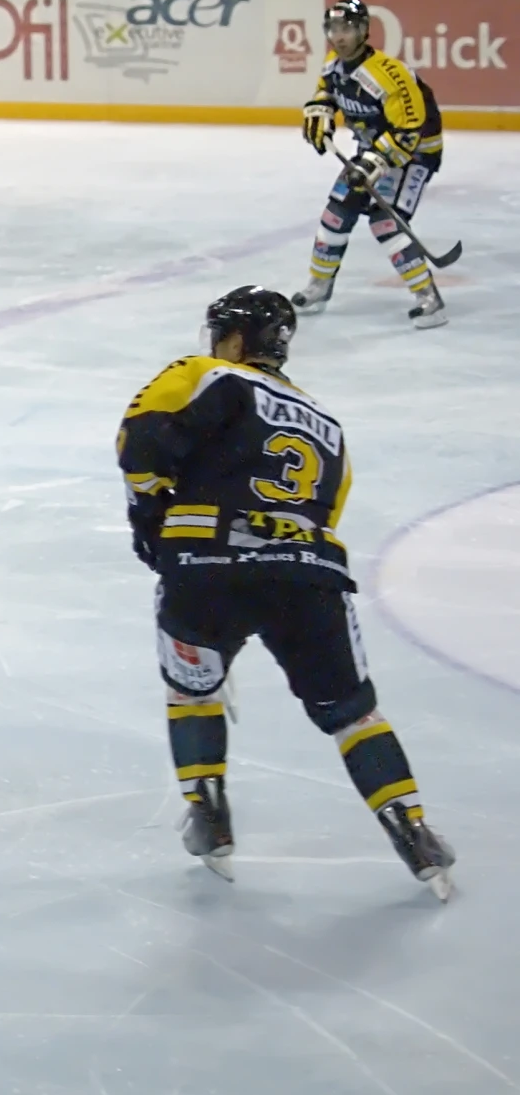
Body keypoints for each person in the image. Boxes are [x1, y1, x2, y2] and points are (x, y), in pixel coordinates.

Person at [116, 286, 454, 898]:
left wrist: (148, 516)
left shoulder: (206, 373)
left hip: (205, 568)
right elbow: (329, 509)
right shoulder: (328, 424)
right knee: (354, 715)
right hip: (306, 575)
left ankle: (209, 818)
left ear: (235, 339)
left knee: (192, 694)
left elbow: (139, 441)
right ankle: (414, 830)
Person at [294, 0, 448, 327]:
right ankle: (319, 286)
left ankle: (429, 299)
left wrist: (374, 162)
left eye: (347, 28)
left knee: (385, 223)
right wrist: (320, 109)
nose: (339, 36)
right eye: (334, 28)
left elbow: (410, 131)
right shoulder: (334, 63)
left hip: (414, 155)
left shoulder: (389, 75)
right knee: (335, 215)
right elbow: (327, 90)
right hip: (371, 151)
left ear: (364, 30)